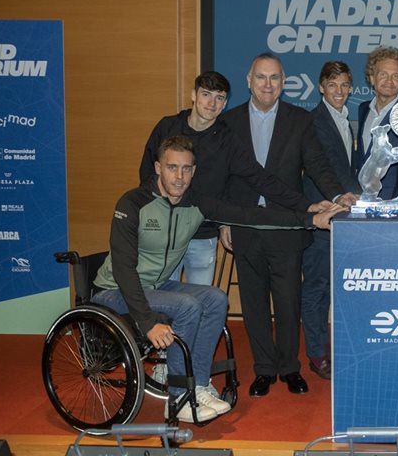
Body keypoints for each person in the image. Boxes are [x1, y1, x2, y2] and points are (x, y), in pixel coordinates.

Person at [92, 136, 342, 422]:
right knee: (187, 305)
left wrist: (310, 219)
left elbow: (249, 215)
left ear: (194, 172)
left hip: (157, 287)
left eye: (186, 169)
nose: (179, 176)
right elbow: (124, 270)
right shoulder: (133, 202)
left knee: (215, 298)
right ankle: (177, 398)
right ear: (158, 167)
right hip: (114, 291)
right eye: (172, 168)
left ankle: (197, 386)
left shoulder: (195, 203)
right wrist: (147, 321)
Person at [221, 52, 357, 398]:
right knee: (253, 303)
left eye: (275, 78)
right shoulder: (229, 121)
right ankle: (264, 370)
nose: (268, 84)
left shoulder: (299, 120)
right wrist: (224, 222)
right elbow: (222, 177)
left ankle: (290, 368)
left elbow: (317, 165)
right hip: (246, 225)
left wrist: (339, 195)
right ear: (249, 81)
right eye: (261, 77)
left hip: (287, 225)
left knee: (287, 302)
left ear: (284, 83)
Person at [140, 71, 317, 285]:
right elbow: (147, 173)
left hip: (203, 234)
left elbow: (260, 178)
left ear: (225, 104)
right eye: (206, 94)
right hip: (164, 233)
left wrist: (307, 206)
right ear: (193, 95)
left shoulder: (227, 139)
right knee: (161, 300)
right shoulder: (167, 127)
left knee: (202, 303)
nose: (212, 103)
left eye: (219, 98)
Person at [302, 61, 362, 380]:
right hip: (322, 214)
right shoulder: (314, 122)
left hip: (342, 215)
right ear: (320, 87)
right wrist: (354, 195)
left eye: (344, 85)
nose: (339, 91)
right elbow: (324, 168)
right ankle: (315, 353)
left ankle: (326, 347)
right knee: (316, 286)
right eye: (332, 85)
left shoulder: (343, 119)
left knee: (333, 287)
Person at [357, 46, 398, 199]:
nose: (389, 81)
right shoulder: (363, 109)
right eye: (383, 74)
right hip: (359, 198)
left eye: (395, 76)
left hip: (391, 202)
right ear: (372, 78)